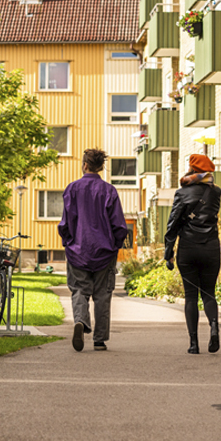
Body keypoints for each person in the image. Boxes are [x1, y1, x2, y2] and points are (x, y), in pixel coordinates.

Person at [59, 148, 127, 352]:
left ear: (85, 165)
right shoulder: (109, 191)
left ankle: (80, 321)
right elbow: (119, 226)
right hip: (104, 251)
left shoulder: (72, 189)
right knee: (102, 295)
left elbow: (66, 223)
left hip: (77, 249)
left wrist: (68, 241)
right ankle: (99, 339)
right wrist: (114, 246)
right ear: (101, 167)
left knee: (79, 290)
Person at [163, 154, 221, 354]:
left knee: (191, 297)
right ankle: (214, 328)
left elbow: (173, 223)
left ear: (191, 169)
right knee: (209, 293)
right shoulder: (216, 193)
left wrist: (168, 251)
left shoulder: (182, 193)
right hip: (211, 248)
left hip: (188, 248)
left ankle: (194, 344)